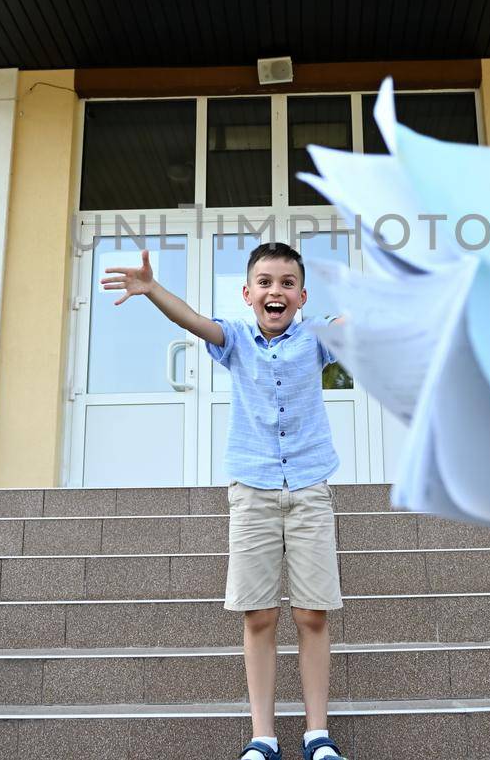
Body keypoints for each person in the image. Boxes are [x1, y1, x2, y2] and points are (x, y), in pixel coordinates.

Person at [103, 241, 347, 760]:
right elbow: (194, 321)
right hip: (253, 491)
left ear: (302, 297)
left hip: (309, 489)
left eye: (286, 284)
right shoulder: (235, 339)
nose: (274, 291)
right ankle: (263, 737)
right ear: (247, 293)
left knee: (312, 615)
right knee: (257, 614)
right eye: (265, 282)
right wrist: (150, 290)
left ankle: (317, 735)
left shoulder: (315, 340)